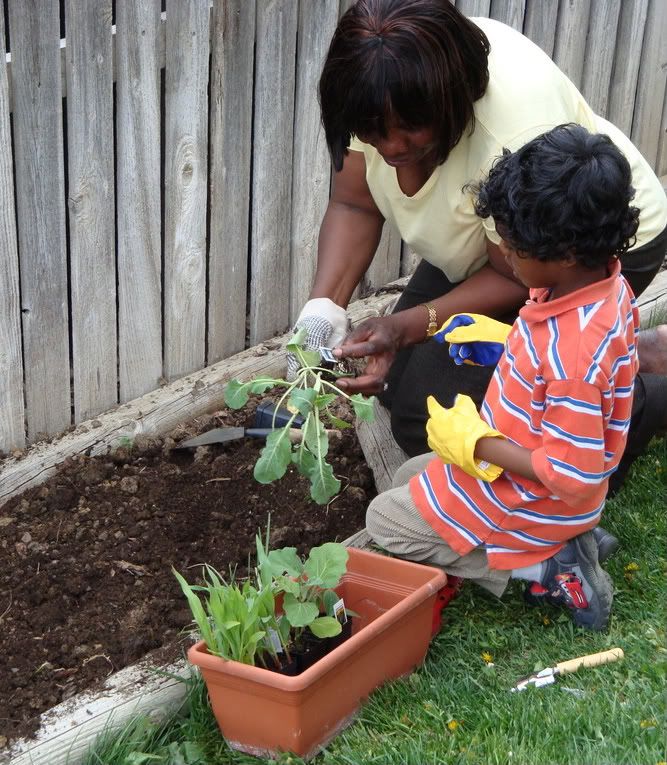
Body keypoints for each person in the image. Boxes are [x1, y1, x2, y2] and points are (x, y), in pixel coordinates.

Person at [291, 0, 667, 496]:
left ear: (452, 101)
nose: (391, 147)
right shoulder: (379, 86)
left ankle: (633, 396)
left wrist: (406, 325)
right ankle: (625, 353)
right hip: (497, 250)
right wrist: (323, 309)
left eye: (409, 129)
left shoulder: (514, 130)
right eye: (372, 131)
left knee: (420, 419)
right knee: (399, 385)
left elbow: (517, 271)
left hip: (574, 251)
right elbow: (355, 205)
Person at [365, 123, 640, 631]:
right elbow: (565, 368)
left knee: (384, 521)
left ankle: (549, 567)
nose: (506, 256)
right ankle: (571, 539)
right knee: (409, 477)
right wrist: (504, 341)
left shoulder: (572, 354)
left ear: (563, 254)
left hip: (532, 494)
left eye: (514, 249)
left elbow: (573, 472)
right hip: (537, 488)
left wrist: (477, 444)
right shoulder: (602, 285)